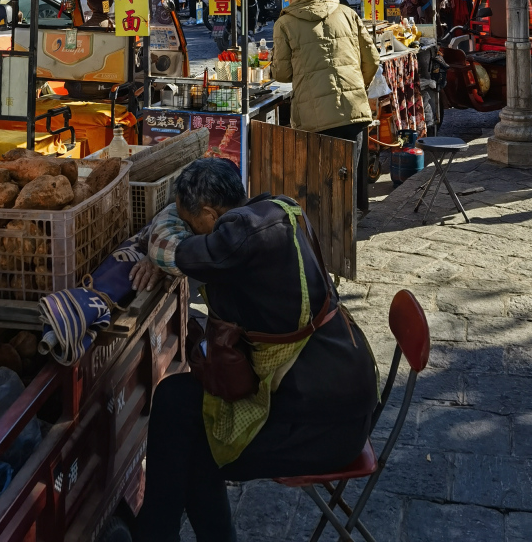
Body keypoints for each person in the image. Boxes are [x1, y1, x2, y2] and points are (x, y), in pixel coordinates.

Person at [129, 157, 379, 542]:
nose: (192, 231)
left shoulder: (239, 241)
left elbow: (168, 249)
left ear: (211, 215)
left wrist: (159, 253)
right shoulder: (273, 210)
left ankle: (157, 534)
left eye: (192, 223)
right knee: (173, 398)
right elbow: (173, 238)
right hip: (334, 390)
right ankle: (160, 533)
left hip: (325, 424)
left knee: (195, 445)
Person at [271, 0, 380, 215]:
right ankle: (351, 223)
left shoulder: (285, 22)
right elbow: (372, 60)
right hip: (353, 109)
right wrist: (356, 86)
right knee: (351, 173)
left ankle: (329, 231)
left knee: (323, 179)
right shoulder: (347, 12)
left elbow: (282, 74)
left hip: (315, 116)